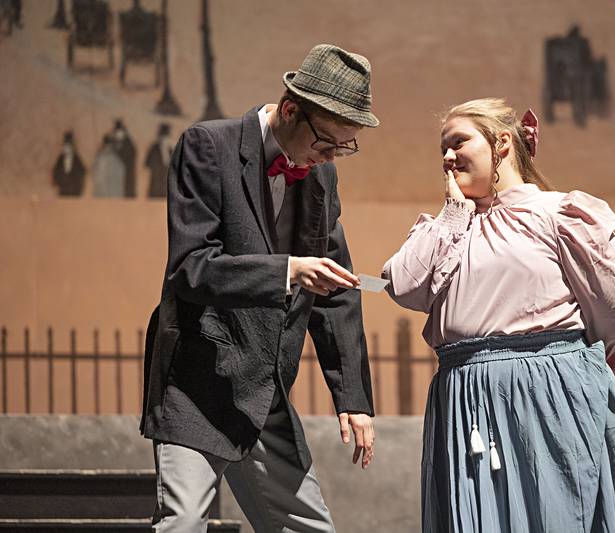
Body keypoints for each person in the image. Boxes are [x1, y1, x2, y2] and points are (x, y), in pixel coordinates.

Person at [140, 44, 378, 532]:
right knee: (182, 524)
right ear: (291, 109)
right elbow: (191, 268)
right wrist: (286, 271)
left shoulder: (321, 177)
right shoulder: (208, 146)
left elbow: (336, 290)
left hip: (264, 391)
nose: (332, 158)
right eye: (328, 143)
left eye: (344, 147)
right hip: (200, 381)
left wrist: (352, 396)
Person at [382, 97, 615, 532]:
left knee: (553, 515)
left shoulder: (556, 213)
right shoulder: (444, 227)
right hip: (462, 392)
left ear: (501, 143)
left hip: (547, 387)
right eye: (442, 149)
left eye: (458, 142)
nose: (446, 157)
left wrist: (584, 375)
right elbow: (404, 285)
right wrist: (453, 214)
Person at [52, 131, 86, 197]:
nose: (67, 148)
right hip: (63, 189)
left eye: (69, 146)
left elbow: (82, 171)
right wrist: (58, 181)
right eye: (65, 146)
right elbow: (56, 171)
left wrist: (78, 184)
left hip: (74, 190)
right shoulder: (61, 159)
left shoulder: (76, 159)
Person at [145, 122, 172, 198]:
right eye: (162, 136)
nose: (163, 138)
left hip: (165, 174)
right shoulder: (154, 147)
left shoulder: (170, 148)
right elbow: (147, 162)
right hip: (156, 173)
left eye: (165, 136)